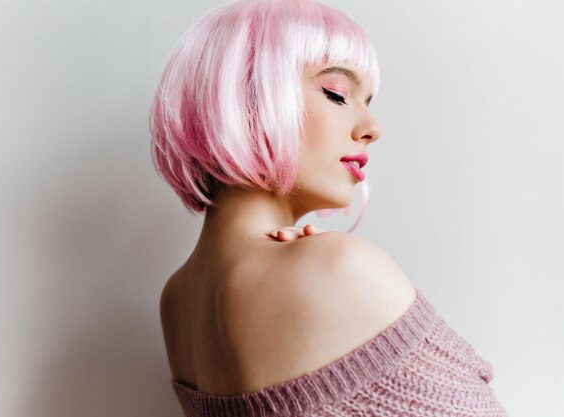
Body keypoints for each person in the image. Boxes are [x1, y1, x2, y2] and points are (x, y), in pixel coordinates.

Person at [150, 0, 508, 415]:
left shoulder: (176, 303)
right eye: (338, 94)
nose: (371, 129)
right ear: (247, 99)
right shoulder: (340, 267)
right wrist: (323, 264)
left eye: (368, 101)